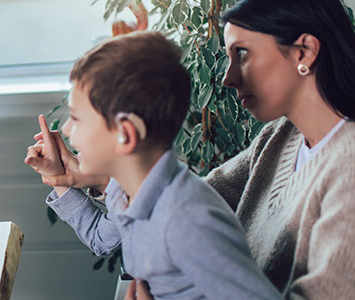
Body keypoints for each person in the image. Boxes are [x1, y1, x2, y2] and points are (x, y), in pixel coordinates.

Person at [32, 0, 355, 298]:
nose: (227, 77)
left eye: (242, 53)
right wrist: (93, 175)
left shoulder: (349, 168)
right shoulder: (280, 136)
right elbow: (175, 200)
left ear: (304, 52)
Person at [24, 32, 281, 299]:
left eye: (76, 118)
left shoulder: (186, 221)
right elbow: (100, 239)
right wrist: (60, 177)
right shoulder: (130, 192)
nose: (65, 129)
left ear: (126, 133)